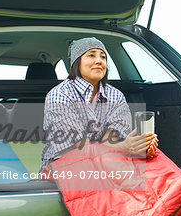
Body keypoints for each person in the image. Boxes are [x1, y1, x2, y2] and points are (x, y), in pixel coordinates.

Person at [41, 37, 158, 169]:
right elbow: (77, 147)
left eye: (103, 57)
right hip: (67, 165)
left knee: (155, 160)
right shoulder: (60, 95)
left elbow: (113, 138)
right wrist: (124, 147)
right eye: (91, 55)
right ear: (76, 63)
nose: (99, 61)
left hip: (110, 161)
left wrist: (140, 145)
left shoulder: (116, 95)